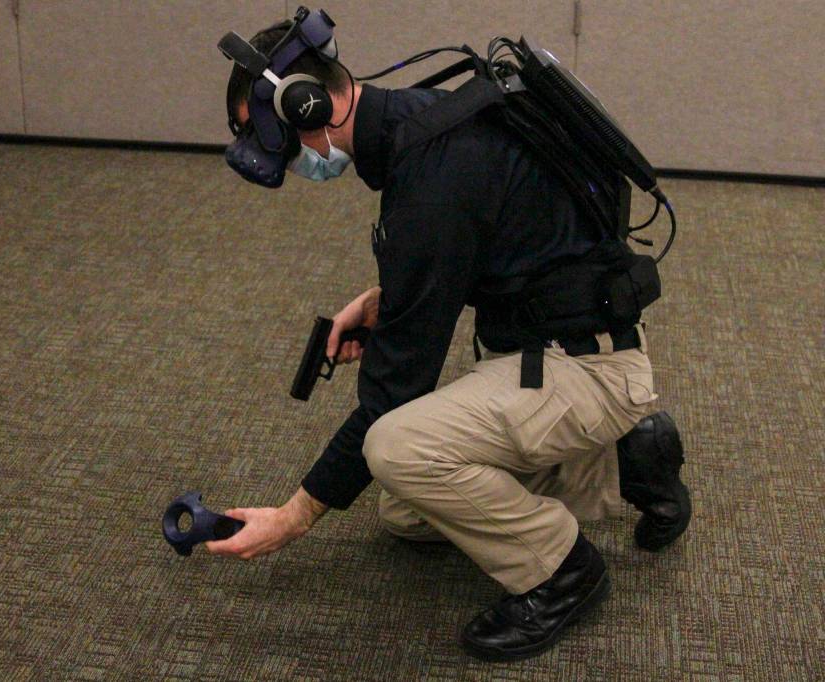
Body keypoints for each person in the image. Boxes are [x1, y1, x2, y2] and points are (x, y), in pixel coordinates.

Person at [207, 10, 691, 662]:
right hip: (537, 354)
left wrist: (294, 516)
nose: (284, 159)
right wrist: (392, 299)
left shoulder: (433, 175)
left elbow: (392, 392)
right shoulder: (424, 119)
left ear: (305, 105)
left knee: (396, 447)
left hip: (579, 369)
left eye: (271, 135)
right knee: (404, 509)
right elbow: (493, 238)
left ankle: (563, 571)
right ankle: (627, 462)